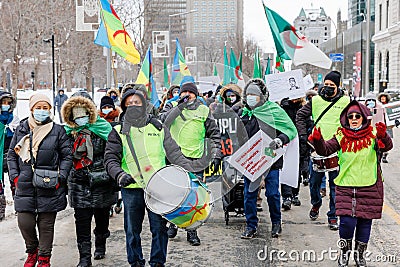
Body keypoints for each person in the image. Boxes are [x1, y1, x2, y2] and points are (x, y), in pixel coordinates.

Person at [104, 88, 208, 267]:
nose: (133, 106)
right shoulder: (118, 131)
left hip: (159, 187)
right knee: (132, 230)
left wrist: (190, 172)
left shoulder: (158, 127)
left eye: (137, 102)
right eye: (129, 103)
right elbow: (110, 159)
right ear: (123, 106)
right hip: (132, 188)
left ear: (144, 104)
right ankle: (136, 262)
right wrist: (120, 175)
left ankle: (158, 262)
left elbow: (174, 154)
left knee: (160, 229)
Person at [309, 101, 393, 267]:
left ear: (363, 117)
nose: (354, 119)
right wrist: (318, 141)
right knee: (347, 223)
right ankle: (344, 252)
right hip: (346, 186)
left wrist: (384, 136)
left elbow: (387, 147)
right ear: (346, 119)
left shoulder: (373, 133)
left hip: (370, 186)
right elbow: (325, 150)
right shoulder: (341, 135)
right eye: (351, 116)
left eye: (357, 116)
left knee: (364, 223)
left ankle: (360, 256)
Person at [7, 93, 73, 267]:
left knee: (46, 225)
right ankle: (32, 251)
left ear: (50, 110)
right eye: (38, 107)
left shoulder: (57, 130)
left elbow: (67, 156)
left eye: (45, 108)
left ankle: (44, 258)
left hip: (49, 184)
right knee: (25, 223)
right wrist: (15, 177)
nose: (42, 111)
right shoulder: (22, 128)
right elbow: (11, 155)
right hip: (25, 185)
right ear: (31, 109)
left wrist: (61, 176)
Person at [161, 81, 221, 246]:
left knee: (194, 198)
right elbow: (163, 122)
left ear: (196, 95)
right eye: (183, 93)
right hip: (174, 158)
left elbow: (214, 133)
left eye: (190, 93)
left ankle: (192, 230)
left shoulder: (204, 110)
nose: (186, 96)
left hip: (195, 160)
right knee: (174, 194)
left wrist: (216, 155)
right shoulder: (171, 106)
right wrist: (178, 107)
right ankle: (173, 223)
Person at [239, 78, 298, 239]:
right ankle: (251, 226)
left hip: (271, 160)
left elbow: (290, 130)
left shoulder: (274, 111)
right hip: (251, 161)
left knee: (272, 194)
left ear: (263, 95)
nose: (251, 97)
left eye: (255, 94)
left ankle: (276, 223)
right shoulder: (243, 112)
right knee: (249, 194)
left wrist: (280, 139)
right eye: (249, 94)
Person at [61, 94, 115, 267]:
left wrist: (102, 172)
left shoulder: (103, 128)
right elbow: (65, 156)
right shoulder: (67, 133)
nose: (80, 119)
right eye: (76, 117)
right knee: (81, 222)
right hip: (78, 183)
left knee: (101, 220)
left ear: (89, 114)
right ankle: (84, 258)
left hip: (101, 182)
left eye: (83, 115)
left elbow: (112, 154)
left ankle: (101, 243)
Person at [296, 70, 350, 230]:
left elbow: (355, 118)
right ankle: (316, 203)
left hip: (338, 149)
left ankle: (333, 216)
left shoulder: (347, 101)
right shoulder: (316, 101)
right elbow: (300, 115)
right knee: (314, 184)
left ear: (338, 86)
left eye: (331, 85)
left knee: (335, 186)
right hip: (317, 150)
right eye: (326, 84)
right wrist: (304, 136)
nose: (327, 87)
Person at [279, 97, 304, 209]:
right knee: (286, 168)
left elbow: (307, 124)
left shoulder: (303, 108)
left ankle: (295, 193)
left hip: (300, 142)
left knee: (296, 169)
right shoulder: (283, 108)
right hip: (286, 140)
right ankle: (286, 196)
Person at [0, 91, 19, 221]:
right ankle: (1, 211)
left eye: (8, 103)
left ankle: (19, 207)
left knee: (15, 181)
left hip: (12, 155)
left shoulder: (15, 120)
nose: (5, 105)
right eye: (3, 103)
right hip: (0, 156)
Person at [377, 92, 393, 163]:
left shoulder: (389, 106)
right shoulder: (377, 106)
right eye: (381, 97)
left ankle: (384, 156)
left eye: (384, 97)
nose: (383, 98)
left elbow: (393, 116)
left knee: (387, 141)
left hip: (388, 126)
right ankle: (380, 154)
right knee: (380, 141)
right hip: (380, 126)